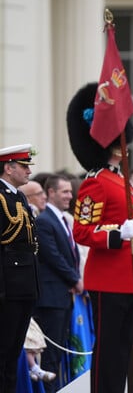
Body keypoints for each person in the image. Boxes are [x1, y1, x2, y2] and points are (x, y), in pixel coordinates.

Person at [67, 82, 133, 393]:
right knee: (108, 354)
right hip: (108, 280)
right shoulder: (96, 183)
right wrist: (117, 235)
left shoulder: (122, 182)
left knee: (122, 351)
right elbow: (82, 231)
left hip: (128, 279)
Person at [34, 173, 83, 392]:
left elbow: (70, 253)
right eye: (64, 191)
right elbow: (53, 256)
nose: (69, 196)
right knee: (50, 356)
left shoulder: (61, 220)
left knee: (59, 353)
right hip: (51, 298)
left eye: (70, 192)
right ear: (50, 192)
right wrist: (75, 279)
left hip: (62, 296)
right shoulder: (45, 221)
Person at [0, 144, 39, 393]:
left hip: (24, 284)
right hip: (8, 286)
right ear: (8, 167)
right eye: (23, 166)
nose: (28, 171)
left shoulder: (18, 196)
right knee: (3, 350)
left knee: (13, 351)